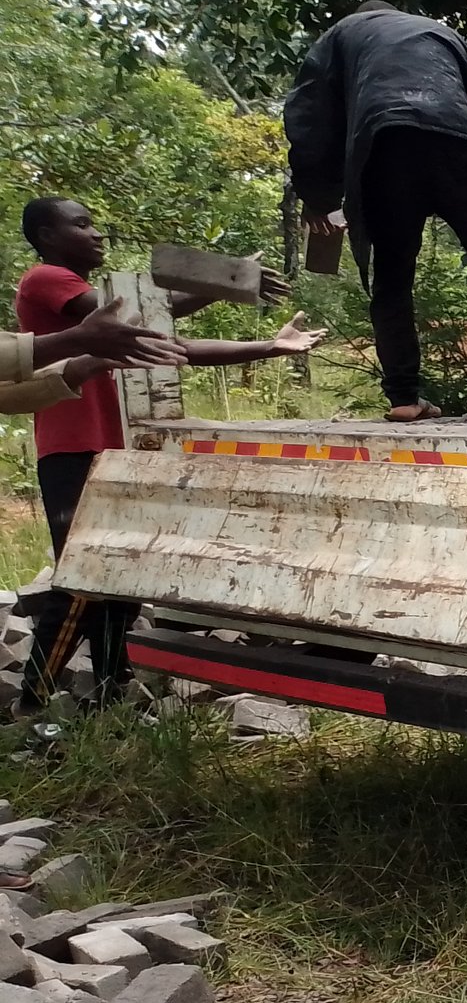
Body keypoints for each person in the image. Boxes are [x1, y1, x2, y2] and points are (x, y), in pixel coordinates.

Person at [15, 198, 324, 712]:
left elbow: (175, 346)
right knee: (81, 581)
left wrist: (270, 346)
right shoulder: (45, 278)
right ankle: (34, 703)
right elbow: (142, 316)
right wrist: (222, 280)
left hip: (114, 449)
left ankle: (112, 692)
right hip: (73, 449)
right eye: (81, 224)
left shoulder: (108, 316)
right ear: (47, 235)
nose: (96, 233)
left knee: (121, 576)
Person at [284, 2, 467, 425]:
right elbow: (461, 90)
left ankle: (404, 398)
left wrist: (319, 195)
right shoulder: (437, 30)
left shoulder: (340, 35)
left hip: (383, 147)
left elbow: (309, 115)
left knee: (392, 278)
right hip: (455, 137)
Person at [0, 299, 182, 415]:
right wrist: (79, 340)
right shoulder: (44, 277)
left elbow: (6, 396)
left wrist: (91, 362)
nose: (97, 236)